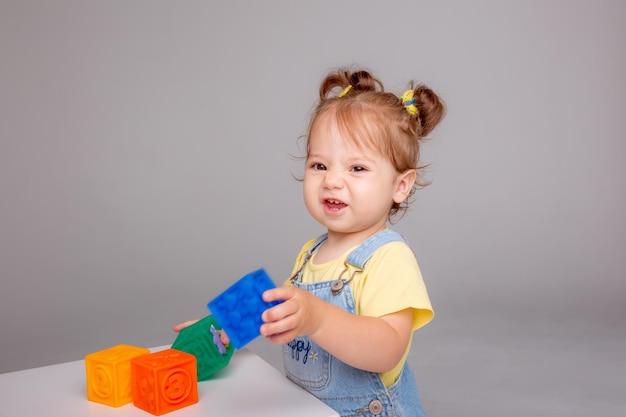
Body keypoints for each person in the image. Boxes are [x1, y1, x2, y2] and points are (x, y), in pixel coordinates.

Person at [176, 66, 445, 417]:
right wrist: (224, 328)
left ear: (400, 186)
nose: (332, 181)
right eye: (320, 165)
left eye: (357, 169)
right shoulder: (311, 253)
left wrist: (319, 319)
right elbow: (279, 312)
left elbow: (388, 347)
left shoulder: (389, 257)